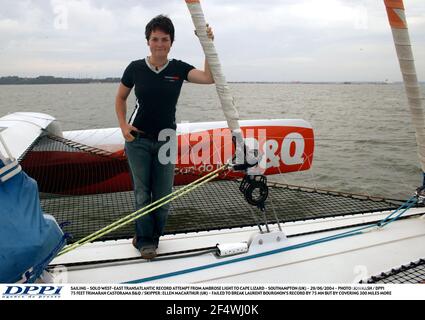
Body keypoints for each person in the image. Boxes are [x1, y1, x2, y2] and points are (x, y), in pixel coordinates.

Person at [115, 15, 215, 259]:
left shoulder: (178, 69)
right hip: (137, 140)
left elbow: (208, 78)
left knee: (163, 195)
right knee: (142, 193)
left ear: (171, 42)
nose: (159, 43)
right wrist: (123, 126)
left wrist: (207, 43)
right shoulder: (135, 68)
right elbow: (120, 98)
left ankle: (151, 237)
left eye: (165, 39)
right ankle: (146, 242)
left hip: (167, 139)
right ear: (148, 41)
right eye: (155, 39)